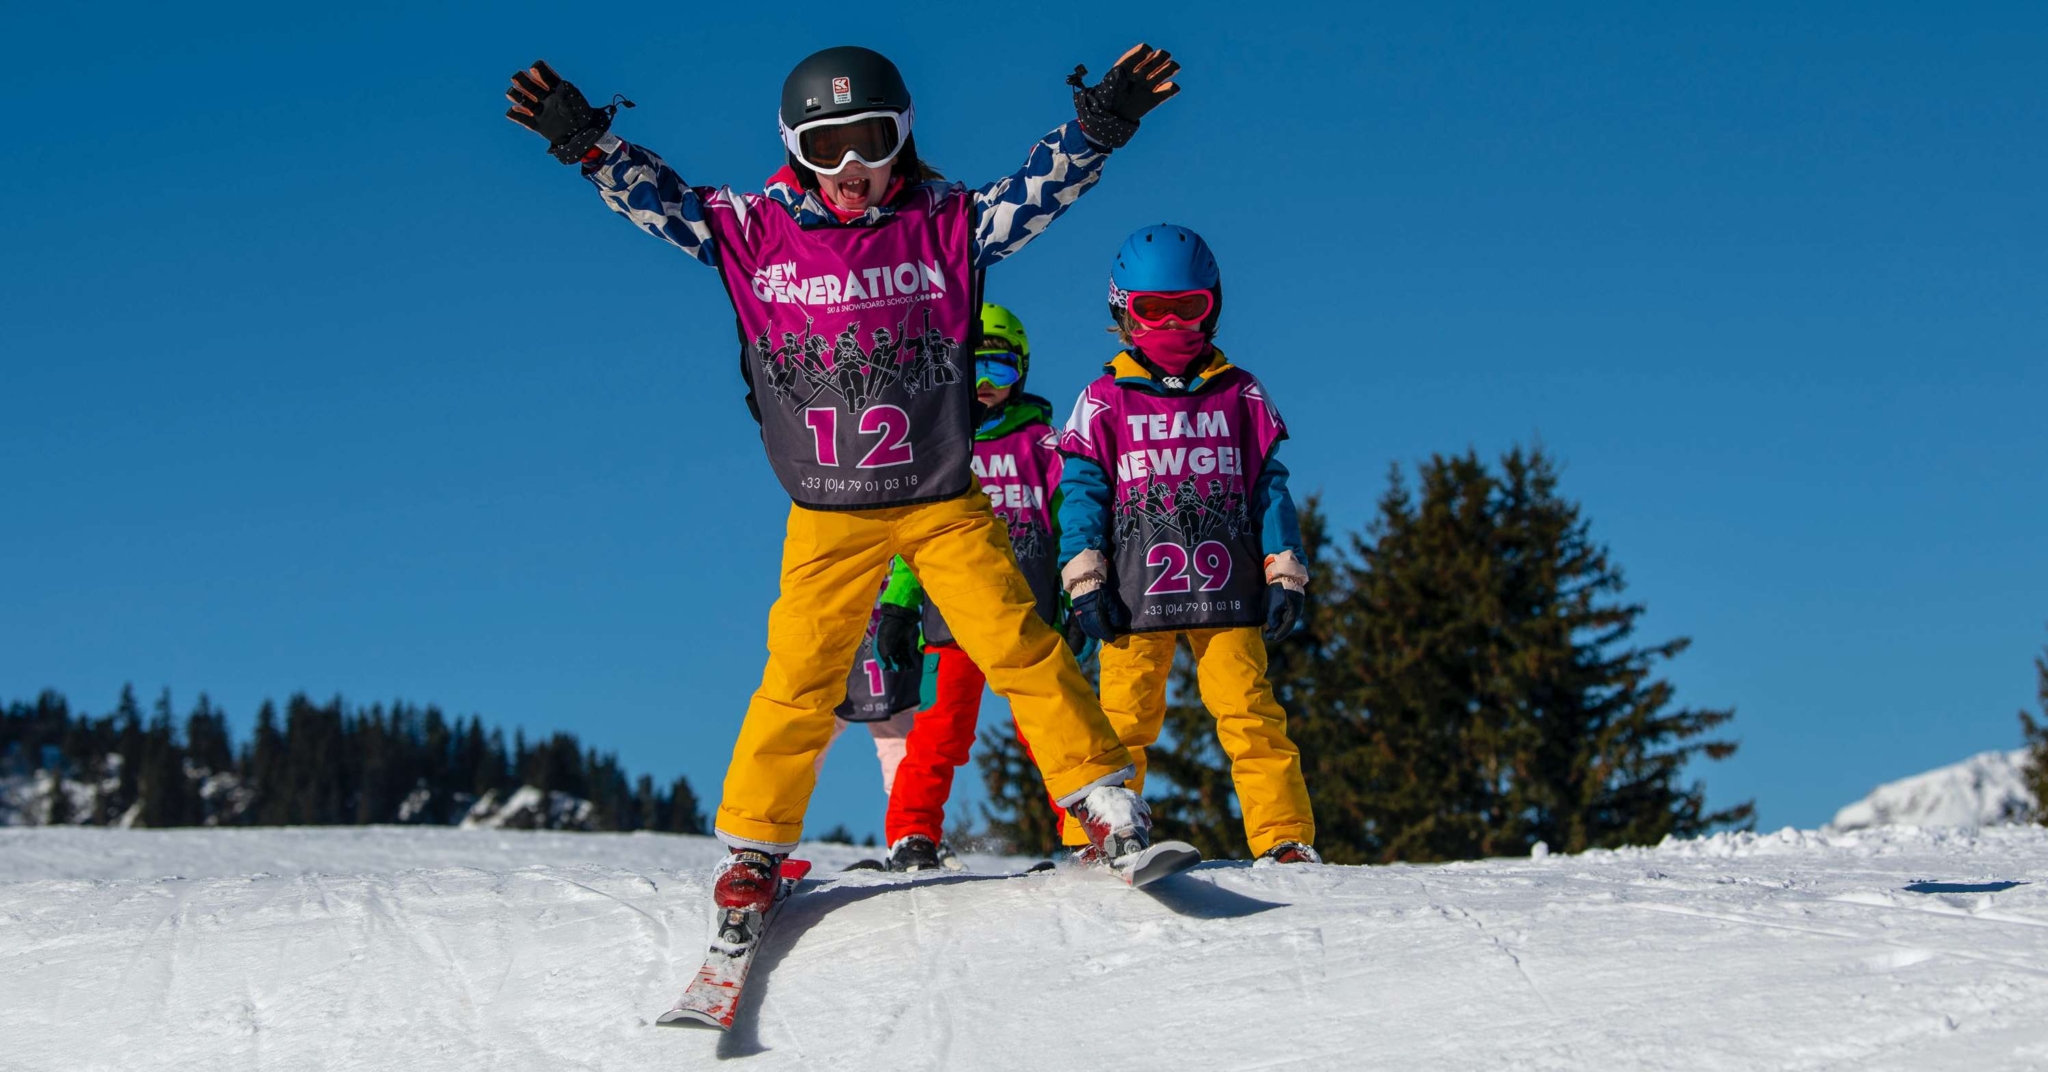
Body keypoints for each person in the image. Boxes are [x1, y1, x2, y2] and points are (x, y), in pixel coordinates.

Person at [503, 45, 1185, 913]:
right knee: (801, 673)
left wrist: (1098, 130)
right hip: (830, 505)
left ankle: (1101, 800)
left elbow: (1035, 193)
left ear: (903, 136)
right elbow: (665, 204)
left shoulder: (946, 222)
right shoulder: (754, 231)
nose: (852, 167)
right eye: (828, 147)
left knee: (1018, 641)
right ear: (795, 147)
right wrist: (592, 147)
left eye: (871, 140)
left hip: (940, 497)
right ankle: (755, 845)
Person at [1055, 224, 1320, 865]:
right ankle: (1094, 839)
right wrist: (1084, 579)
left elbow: (1268, 488)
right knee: (1122, 718)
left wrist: (1284, 570)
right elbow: (1082, 492)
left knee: (1249, 711)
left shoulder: (1241, 393)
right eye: (1153, 310)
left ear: (1214, 306)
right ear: (1123, 311)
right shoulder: (1103, 399)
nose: (1171, 324)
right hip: (1135, 586)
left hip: (1227, 585)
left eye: (1188, 308)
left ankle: (1283, 837)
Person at [870, 303, 1075, 871]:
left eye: (1001, 371)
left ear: (1022, 374)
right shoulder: (942, 450)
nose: (984, 385)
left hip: (1028, 620)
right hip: (951, 620)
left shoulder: (1045, 446)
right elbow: (916, 541)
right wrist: (896, 606)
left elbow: (1070, 526)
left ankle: (1084, 832)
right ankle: (912, 834)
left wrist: (1079, 595)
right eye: (973, 369)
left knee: (1052, 723)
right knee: (939, 731)